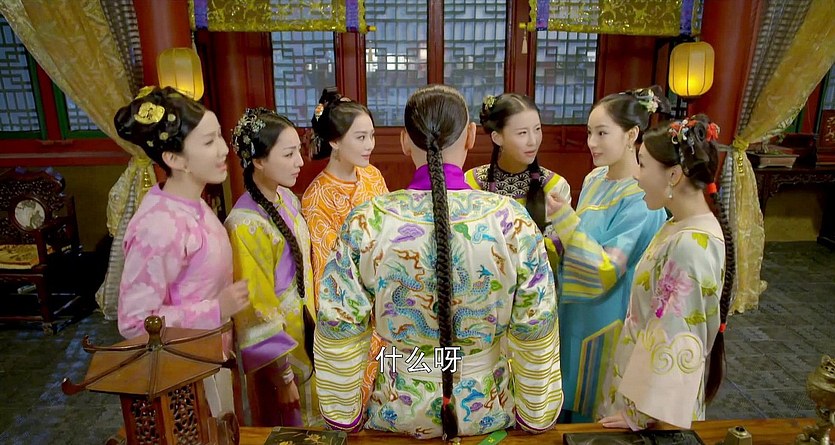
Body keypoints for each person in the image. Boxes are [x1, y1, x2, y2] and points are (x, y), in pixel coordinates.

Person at [313, 85, 563, 439]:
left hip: (398, 408)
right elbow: (535, 328)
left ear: (404, 141)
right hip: (486, 410)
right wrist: (536, 413)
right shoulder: (512, 221)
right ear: (471, 136)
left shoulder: (367, 222)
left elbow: (339, 327)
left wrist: (343, 415)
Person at [115, 86, 249, 417]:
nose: (223, 149)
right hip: (181, 375)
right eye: (208, 142)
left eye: (220, 136)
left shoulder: (193, 204)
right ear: (174, 159)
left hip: (208, 358)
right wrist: (215, 309)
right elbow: (134, 322)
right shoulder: (158, 224)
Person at [597, 114, 734, 431]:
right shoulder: (678, 225)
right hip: (639, 379)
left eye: (643, 165)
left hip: (653, 407)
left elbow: (676, 338)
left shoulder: (691, 246)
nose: (636, 176)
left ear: (673, 175)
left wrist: (640, 416)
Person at [544, 87, 669, 422]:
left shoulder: (642, 198)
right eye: (589, 133)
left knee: (594, 395)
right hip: (573, 304)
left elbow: (606, 268)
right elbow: (578, 237)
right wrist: (547, 243)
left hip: (609, 310)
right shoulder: (595, 178)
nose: (591, 143)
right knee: (563, 382)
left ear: (631, 135)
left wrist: (565, 221)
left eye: (602, 133)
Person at [225, 108, 321, 427]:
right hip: (281, 354)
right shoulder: (244, 223)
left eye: (298, 151)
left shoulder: (288, 199)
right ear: (258, 160)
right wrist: (282, 376)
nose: (300, 162)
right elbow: (256, 307)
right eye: (289, 154)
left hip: (305, 329)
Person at [301, 87, 388, 304]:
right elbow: (328, 267)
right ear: (335, 141)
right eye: (361, 137)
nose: (370, 145)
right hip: (349, 301)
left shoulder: (372, 174)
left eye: (372, 136)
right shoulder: (317, 197)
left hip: (386, 285)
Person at [466, 93, 571, 233]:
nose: (533, 141)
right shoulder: (472, 184)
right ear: (497, 138)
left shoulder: (555, 186)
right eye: (522, 133)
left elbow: (564, 240)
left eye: (537, 129)